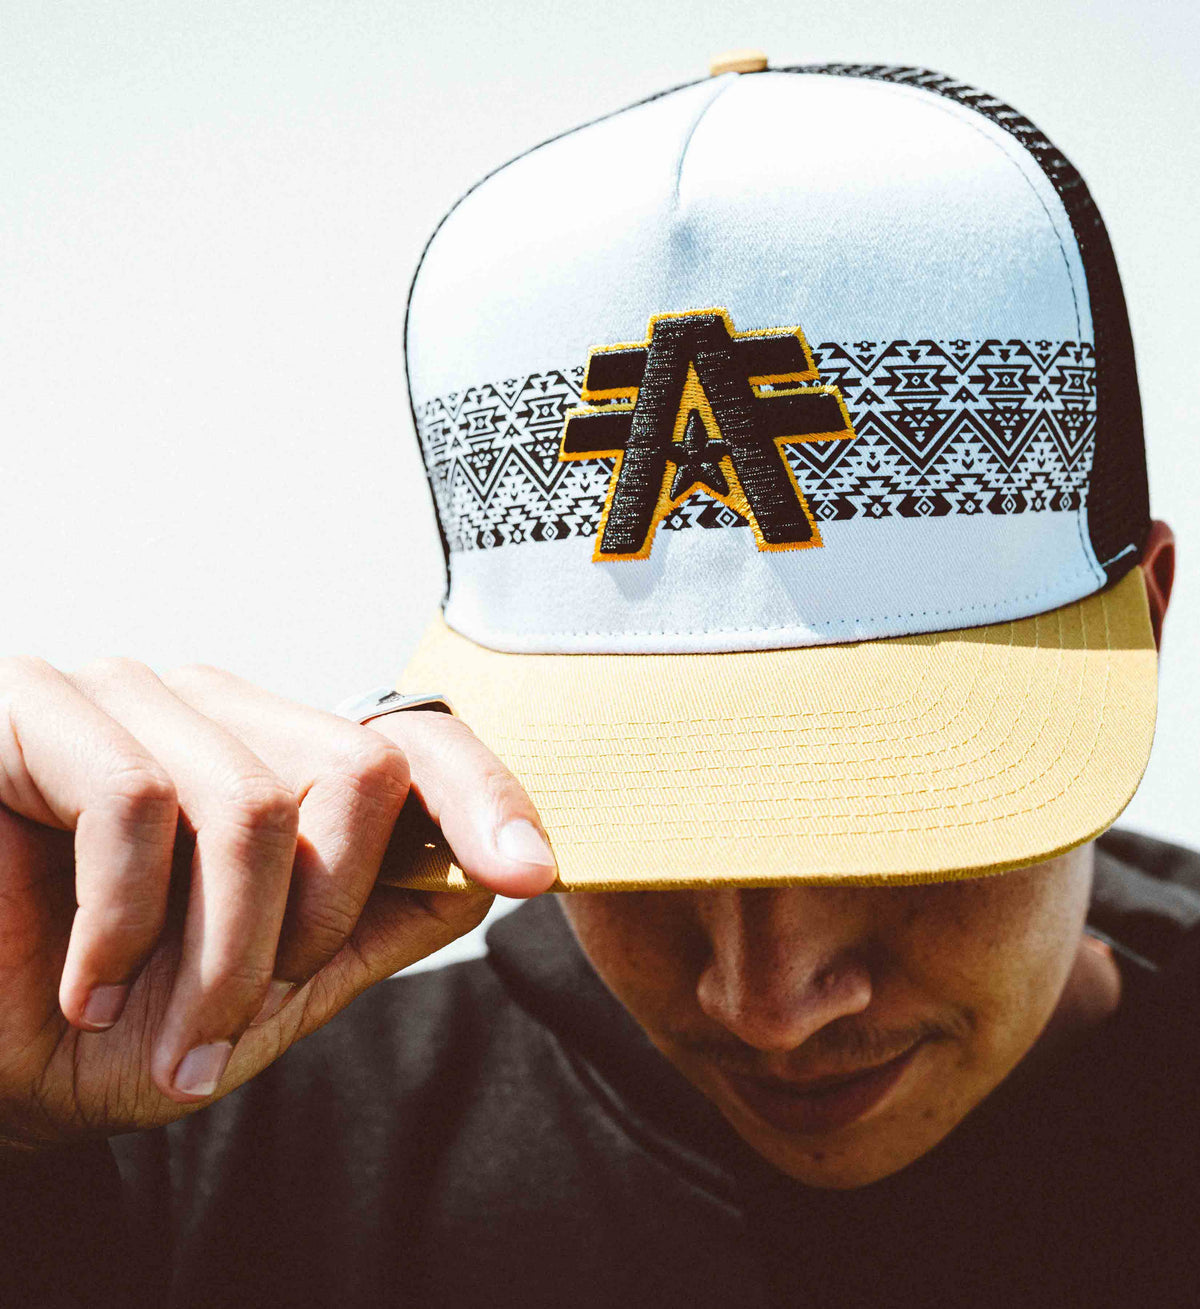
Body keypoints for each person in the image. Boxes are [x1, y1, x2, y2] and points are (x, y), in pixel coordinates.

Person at [2, 60, 1194, 1308]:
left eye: (895, 816)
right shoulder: (205, 1157)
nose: (767, 1001)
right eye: (646, 827)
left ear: (1147, 622)